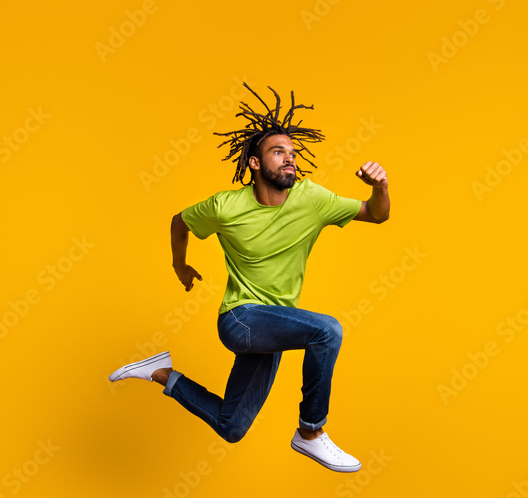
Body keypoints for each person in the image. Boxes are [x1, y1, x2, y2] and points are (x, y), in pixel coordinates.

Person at [109, 84, 389, 472]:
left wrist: (380, 187)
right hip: (241, 319)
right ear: (255, 163)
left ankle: (160, 371)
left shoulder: (313, 199)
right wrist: (179, 265)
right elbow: (180, 221)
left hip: (275, 326)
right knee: (328, 331)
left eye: (293, 154)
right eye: (279, 152)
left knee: (232, 425)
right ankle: (310, 432)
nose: (289, 159)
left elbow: (376, 214)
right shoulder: (226, 206)